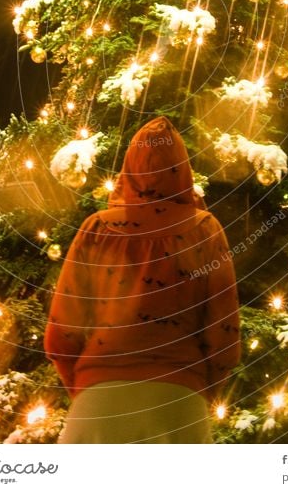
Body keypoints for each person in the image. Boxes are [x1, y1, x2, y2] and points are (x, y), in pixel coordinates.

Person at [44, 115, 240, 443]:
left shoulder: (96, 228)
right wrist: (195, 390)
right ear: (183, 169)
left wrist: (89, 387)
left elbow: (60, 336)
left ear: (128, 168)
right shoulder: (205, 229)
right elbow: (224, 339)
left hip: (98, 409)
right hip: (179, 406)